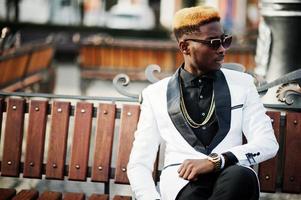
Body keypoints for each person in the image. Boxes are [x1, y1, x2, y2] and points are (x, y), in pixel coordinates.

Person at [127, 5, 279, 200]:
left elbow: (268, 143)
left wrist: (218, 161)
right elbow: (139, 163)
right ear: (185, 47)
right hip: (182, 182)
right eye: (214, 43)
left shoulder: (242, 84)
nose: (223, 49)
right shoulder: (155, 94)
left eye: (225, 40)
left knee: (240, 176)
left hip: (232, 177)